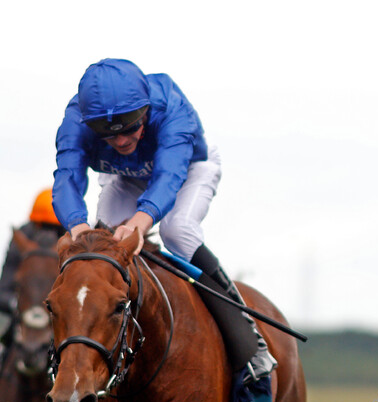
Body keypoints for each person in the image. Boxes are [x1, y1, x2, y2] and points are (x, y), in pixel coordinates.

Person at [52, 58, 274, 382]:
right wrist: (78, 227)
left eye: (130, 125)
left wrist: (140, 224)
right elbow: (67, 177)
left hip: (187, 171)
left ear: (145, 110)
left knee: (177, 231)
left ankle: (250, 342)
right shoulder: (76, 120)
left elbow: (169, 177)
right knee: (99, 249)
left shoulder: (172, 109)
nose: (122, 140)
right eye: (107, 133)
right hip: (126, 177)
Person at [0, 189, 66, 350]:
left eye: (54, 228)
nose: (49, 234)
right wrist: (19, 306)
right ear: (35, 223)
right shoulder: (21, 238)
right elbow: (4, 287)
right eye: (44, 226)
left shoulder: (74, 242)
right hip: (21, 311)